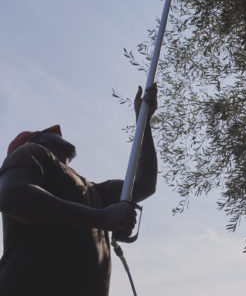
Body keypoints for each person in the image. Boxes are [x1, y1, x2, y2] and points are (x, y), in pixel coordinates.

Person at [0, 84, 158, 296]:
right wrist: (102, 218)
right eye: (47, 133)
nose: (58, 131)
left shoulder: (94, 192)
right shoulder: (30, 152)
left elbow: (145, 184)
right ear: (32, 142)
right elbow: (12, 196)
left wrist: (144, 122)